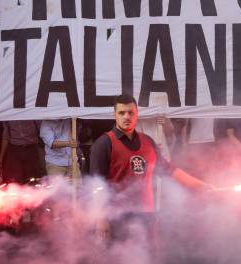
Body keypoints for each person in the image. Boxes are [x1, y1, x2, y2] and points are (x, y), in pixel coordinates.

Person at [90, 94, 213, 241]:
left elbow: (168, 170)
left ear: (137, 114)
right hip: (118, 217)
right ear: (114, 115)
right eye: (121, 113)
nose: (126, 117)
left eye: (131, 112)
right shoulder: (104, 144)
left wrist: (200, 185)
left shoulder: (147, 141)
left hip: (146, 215)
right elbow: (96, 187)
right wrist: (101, 220)